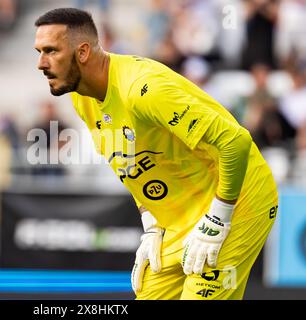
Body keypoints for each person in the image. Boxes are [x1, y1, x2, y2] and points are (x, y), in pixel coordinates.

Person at [33, 8, 278, 300]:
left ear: (82, 52)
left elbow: (235, 142)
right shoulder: (81, 97)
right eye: (39, 51)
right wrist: (150, 222)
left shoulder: (143, 91)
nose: (40, 63)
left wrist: (218, 217)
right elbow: (129, 161)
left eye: (50, 51)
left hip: (237, 201)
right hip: (177, 219)